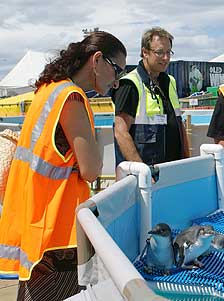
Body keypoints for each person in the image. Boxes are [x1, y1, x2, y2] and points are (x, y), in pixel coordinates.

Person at [0, 31, 127, 300]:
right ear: (97, 60)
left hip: (35, 221)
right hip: (59, 232)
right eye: (117, 71)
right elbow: (91, 170)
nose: (116, 83)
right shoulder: (72, 98)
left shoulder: (48, 89)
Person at [113, 27, 189, 166]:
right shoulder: (130, 84)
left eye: (168, 52)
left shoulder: (170, 81)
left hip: (172, 169)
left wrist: (186, 161)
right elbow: (120, 132)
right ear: (145, 52)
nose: (166, 58)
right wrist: (143, 171)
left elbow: (179, 124)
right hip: (145, 175)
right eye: (160, 53)